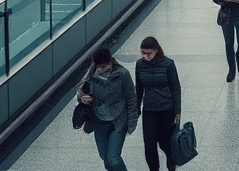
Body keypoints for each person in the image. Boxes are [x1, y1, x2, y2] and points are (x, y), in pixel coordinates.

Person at [77, 48, 138, 171]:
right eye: (98, 67)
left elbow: (131, 97)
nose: (100, 70)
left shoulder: (122, 74)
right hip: (99, 120)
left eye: (103, 67)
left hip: (118, 121)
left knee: (113, 158)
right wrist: (82, 98)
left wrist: (132, 122)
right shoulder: (92, 73)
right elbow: (81, 91)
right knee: (104, 156)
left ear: (110, 62)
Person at [133, 37, 180, 171]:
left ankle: (171, 163)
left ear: (156, 51)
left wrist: (178, 112)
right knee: (149, 144)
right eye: (143, 53)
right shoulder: (140, 65)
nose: (145, 56)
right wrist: (137, 108)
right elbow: (139, 88)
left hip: (167, 108)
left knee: (165, 143)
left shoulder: (168, 64)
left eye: (149, 53)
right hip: (149, 109)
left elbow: (176, 88)